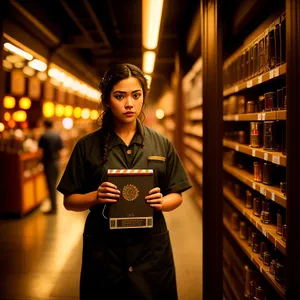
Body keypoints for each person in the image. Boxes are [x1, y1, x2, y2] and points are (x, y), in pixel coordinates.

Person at [57, 63, 192, 299]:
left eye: (136, 95)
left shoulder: (161, 144)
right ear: (108, 100)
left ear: (143, 98)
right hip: (105, 251)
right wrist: (95, 196)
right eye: (120, 96)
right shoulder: (87, 146)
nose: (129, 103)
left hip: (151, 251)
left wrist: (162, 202)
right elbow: (70, 200)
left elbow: (177, 194)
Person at [38, 119, 64, 214]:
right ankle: (54, 206)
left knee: (51, 186)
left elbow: (40, 152)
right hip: (56, 163)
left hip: (48, 163)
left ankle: (53, 208)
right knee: (53, 185)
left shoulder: (44, 136)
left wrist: (39, 163)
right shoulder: (57, 135)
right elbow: (61, 151)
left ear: (45, 125)